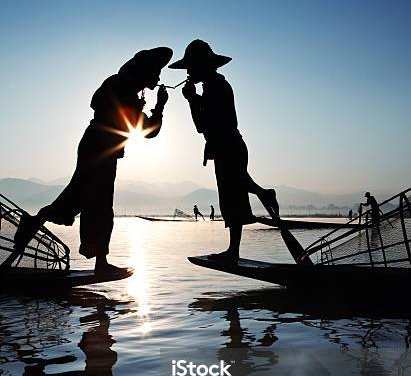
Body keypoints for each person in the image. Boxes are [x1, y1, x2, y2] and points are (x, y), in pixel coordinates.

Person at [13, 47, 173, 275]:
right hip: (101, 148)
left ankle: (34, 223)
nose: (158, 78)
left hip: (96, 145)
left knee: (78, 198)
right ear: (145, 72)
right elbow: (147, 131)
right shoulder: (124, 89)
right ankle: (101, 264)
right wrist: (160, 107)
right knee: (99, 205)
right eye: (156, 72)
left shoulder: (119, 85)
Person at [170, 40, 279, 262]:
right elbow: (210, 115)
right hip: (230, 146)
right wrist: (195, 98)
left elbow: (203, 124)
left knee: (232, 198)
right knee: (236, 187)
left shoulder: (215, 87)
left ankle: (233, 251)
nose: (189, 72)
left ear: (203, 66)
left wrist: (191, 100)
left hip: (228, 146)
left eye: (191, 67)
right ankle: (264, 194)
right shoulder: (214, 86)